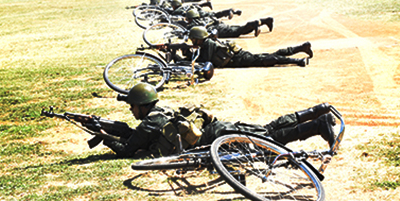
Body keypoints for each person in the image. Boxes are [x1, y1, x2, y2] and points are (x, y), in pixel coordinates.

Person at [101, 83, 336, 158]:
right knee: (267, 129)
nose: (131, 110)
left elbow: (127, 150)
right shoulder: (161, 110)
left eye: (132, 106)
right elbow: (138, 136)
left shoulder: (149, 123)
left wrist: (104, 138)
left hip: (215, 138)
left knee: (268, 140)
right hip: (216, 128)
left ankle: (317, 125)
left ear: (142, 105)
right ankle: (317, 111)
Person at [181, 26, 312, 68]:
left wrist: (186, 55)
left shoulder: (208, 44)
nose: (193, 41)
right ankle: (299, 48)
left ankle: (297, 61)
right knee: (269, 56)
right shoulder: (207, 43)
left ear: (199, 38)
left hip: (239, 59)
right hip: (237, 56)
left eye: (194, 39)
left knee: (267, 60)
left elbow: (205, 62)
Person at [181, 7, 274, 38]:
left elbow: (186, 32)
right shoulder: (203, 18)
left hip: (218, 29)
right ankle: (264, 21)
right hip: (219, 25)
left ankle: (255, 24)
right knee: (239, 30)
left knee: (239, 31)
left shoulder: (193, 24)